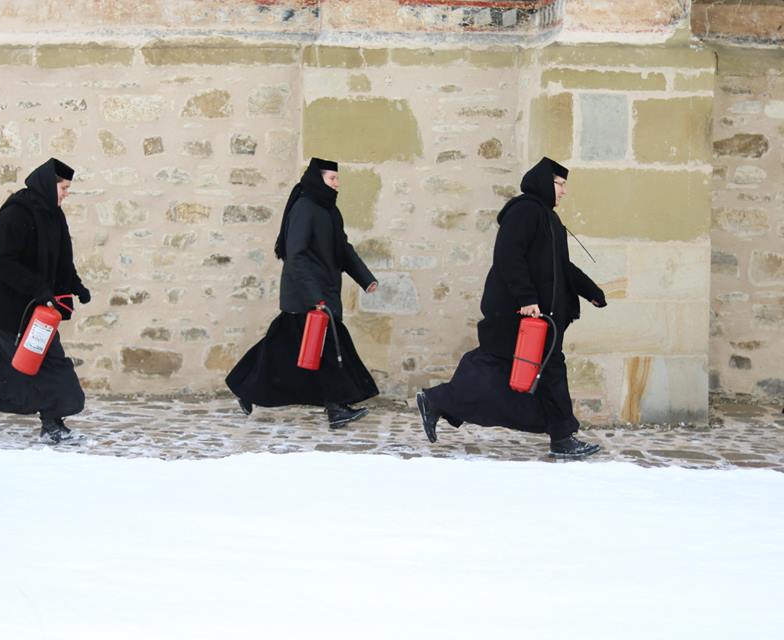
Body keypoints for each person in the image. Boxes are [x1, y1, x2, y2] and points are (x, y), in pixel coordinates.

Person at [416, 157, 607, 458]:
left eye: (564, 185)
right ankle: (560, 437)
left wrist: (590, 291)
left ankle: (560, 436)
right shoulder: (525, 211)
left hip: (542, 317)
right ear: (544, 182)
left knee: (541, 371)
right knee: (499, 367)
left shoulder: (549, 218)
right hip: (516, 314)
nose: (564, 191)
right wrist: (527, 298)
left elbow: (561, 266)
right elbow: (508, 255)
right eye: (559, 184)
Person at [226, 157, 380, 428]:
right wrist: (314, 297)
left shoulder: (330, 211)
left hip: (323, 292)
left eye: (337, 179)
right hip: (306, 295)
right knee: (330, 346)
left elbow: (343, 249)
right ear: (318, 178)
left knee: (280, 348)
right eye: (332, 178)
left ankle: (246, 387)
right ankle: (336, 408)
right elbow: (295, 256)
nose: (337, 183)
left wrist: (366, 279)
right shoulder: (304, 207)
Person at [0, 158, 91, 444]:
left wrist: (76, 285)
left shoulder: (54, 215)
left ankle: (52, 421)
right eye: (63, 187)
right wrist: (38, 288)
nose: (66, 194)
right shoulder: (15, 214)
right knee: (39, 362)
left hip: (37, 311)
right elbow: (4, 262)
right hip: (10, 310)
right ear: (48, 184)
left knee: (4, 360)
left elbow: (63, 258)